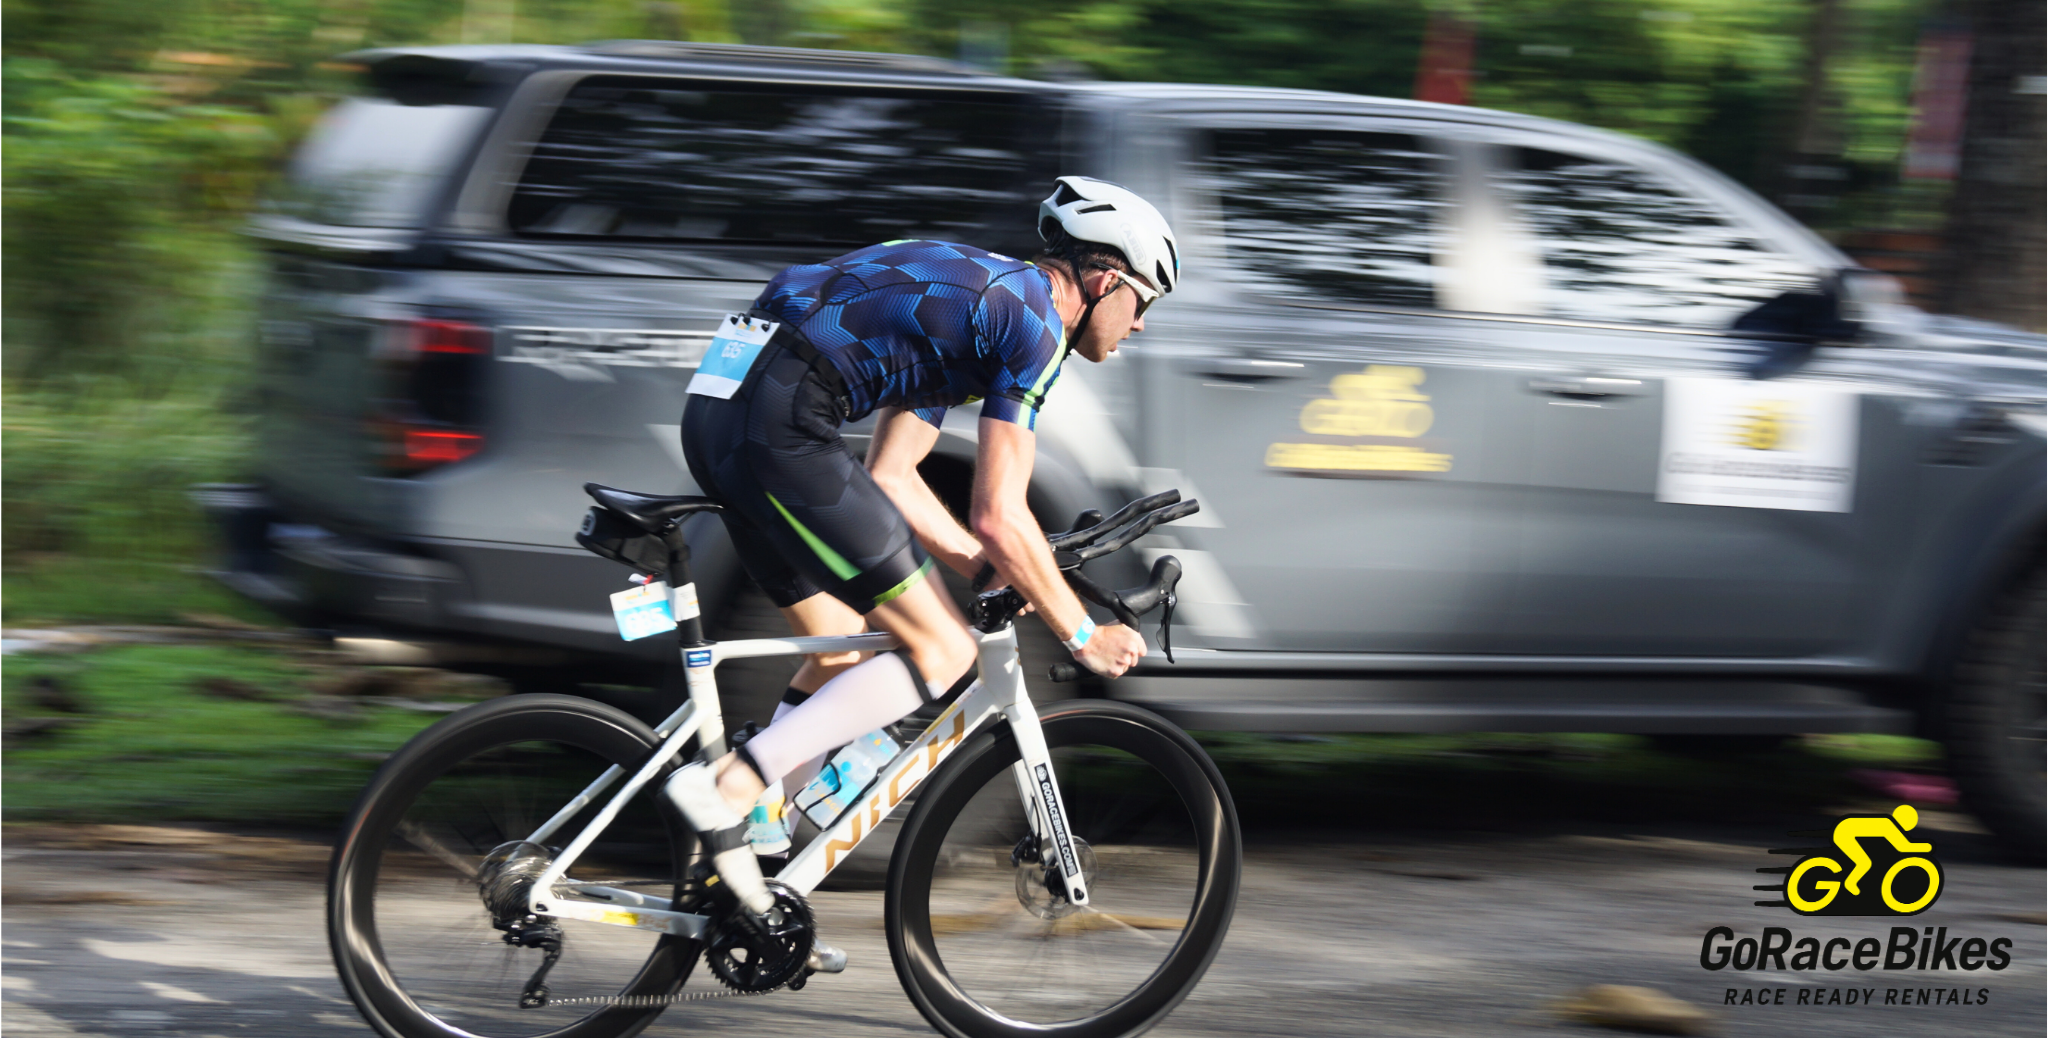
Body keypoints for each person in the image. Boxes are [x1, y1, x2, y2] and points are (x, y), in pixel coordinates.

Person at [662, 177, 1180, 933]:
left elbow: (893, 477)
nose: (1140, 325)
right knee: (940, 649)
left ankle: (752, 851)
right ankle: (734, 785)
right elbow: (1002, 513)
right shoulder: (1034, 326)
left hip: (722, 407)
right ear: (1106, 279)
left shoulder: (980, 303)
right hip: (778, 418)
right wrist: (1082, 634)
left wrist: (979, 565)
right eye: (1144, 301)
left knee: (838, 649)